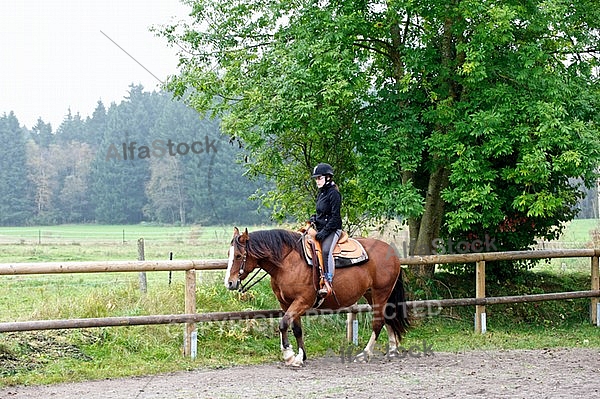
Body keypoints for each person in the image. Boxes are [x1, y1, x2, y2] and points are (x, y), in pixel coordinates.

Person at [310, 163, 342, 297]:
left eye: (319, 178)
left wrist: (323, 233)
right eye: (316, 178)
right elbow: (321, 213)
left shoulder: (334, 193)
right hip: (321, 229)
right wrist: (313, 218)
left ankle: (328, 281)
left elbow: (335, 217)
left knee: (326, 251)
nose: (317, 181)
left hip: (333, 230)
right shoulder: (321, 193)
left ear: (328, 178)